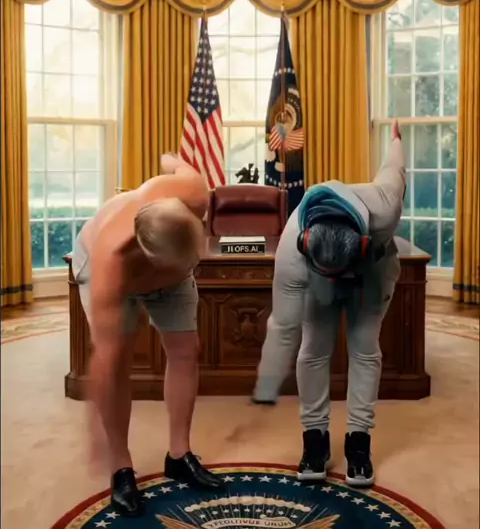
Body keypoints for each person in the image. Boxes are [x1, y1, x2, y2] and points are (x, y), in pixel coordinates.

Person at [252, 124, 405, 488]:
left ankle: (359, 445)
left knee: (365, 349)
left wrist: (396, 140)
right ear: (305, 243)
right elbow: (283, 325)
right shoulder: (291, 253)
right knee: (314, 349)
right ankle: (315, 442)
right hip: (313, 280)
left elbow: (393, 169)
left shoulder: (384, 208)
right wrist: (268, 379)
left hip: (371, 274)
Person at [71, 153, 222, 518]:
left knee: (186, 350)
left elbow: (176, 163)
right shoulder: (111, 260)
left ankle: (179, 455)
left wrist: (169, 159)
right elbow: (105, 363)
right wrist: (93, 430)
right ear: (148, 255)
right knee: (119, 362)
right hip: (113, 270)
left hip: (171, 264)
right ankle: (121, 468)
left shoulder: (192, 191)